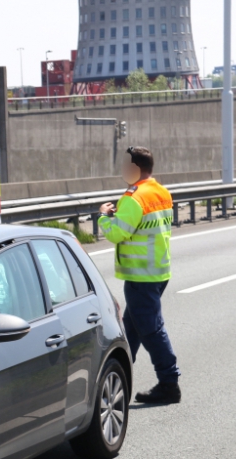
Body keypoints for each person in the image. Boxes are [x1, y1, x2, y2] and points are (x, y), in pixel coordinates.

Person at [99, 147, 181, 404]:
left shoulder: (133, 198)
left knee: (151, 330)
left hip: (140, 276)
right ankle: (118, 381)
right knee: (132, 331)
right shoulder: (161, 192)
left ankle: (169, 383)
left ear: (135, 167)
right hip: (158, 271)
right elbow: (142, 225)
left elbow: (117, 233)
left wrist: (103, 217)